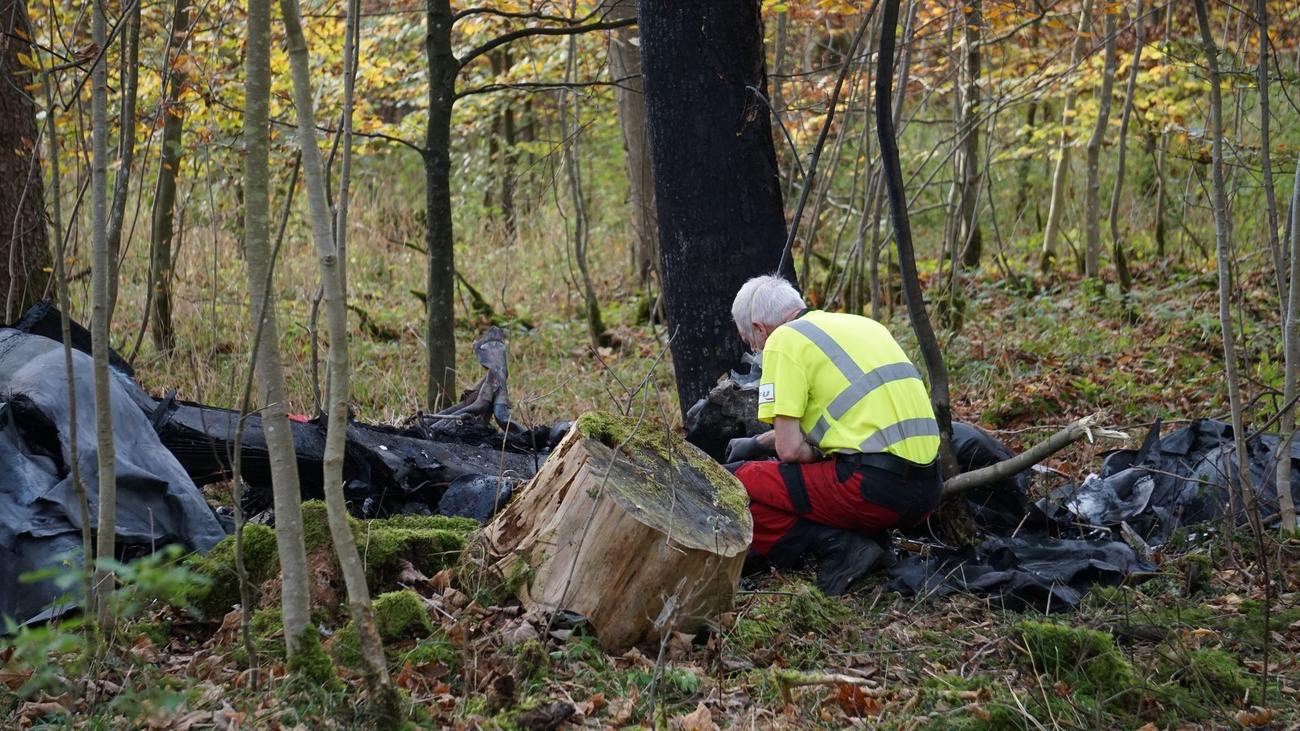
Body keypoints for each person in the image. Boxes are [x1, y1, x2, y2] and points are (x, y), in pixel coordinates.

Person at [725, 275, 942, 595]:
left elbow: (789, 451)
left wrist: (810, 455)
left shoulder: (783, 341)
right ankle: (864, 538)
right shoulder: (863, 326)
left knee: (732, 484)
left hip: (872, 490)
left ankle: (840, 548)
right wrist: (757, 443)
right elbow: (845, 421)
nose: (755, 351)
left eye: (750, 343)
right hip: (928, 489)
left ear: (759, 329)